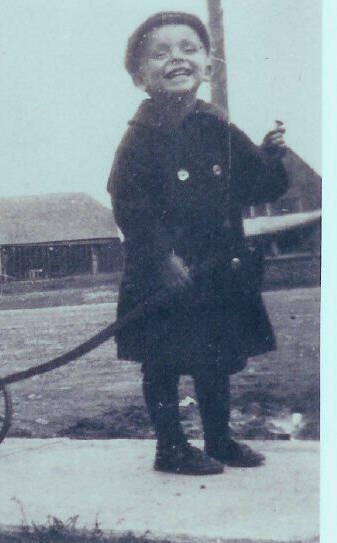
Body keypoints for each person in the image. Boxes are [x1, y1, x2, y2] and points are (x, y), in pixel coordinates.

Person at [107, 12, 289, 475]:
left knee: (215, 356)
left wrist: (270, 157)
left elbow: (258, 187)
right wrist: (161, 258)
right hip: (163, 274)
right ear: (139, 77)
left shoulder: (218, 128)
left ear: (209, 65)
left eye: (189, 49)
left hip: (217, 271)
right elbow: (129, 205)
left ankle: (219, 440)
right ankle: (170, 447)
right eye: (160, 53)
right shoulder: (140, 139)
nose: (176, 59)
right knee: (163, 361)